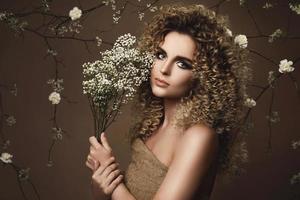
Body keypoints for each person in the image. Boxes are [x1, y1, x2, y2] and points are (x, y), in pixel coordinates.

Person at [86, 3, 250, 200]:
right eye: (161, 55)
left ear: (205, 76)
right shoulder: (152, 127)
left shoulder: (199, 136)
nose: (164, 69)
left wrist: (113, 180)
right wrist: (102, 180)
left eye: (182, 63)